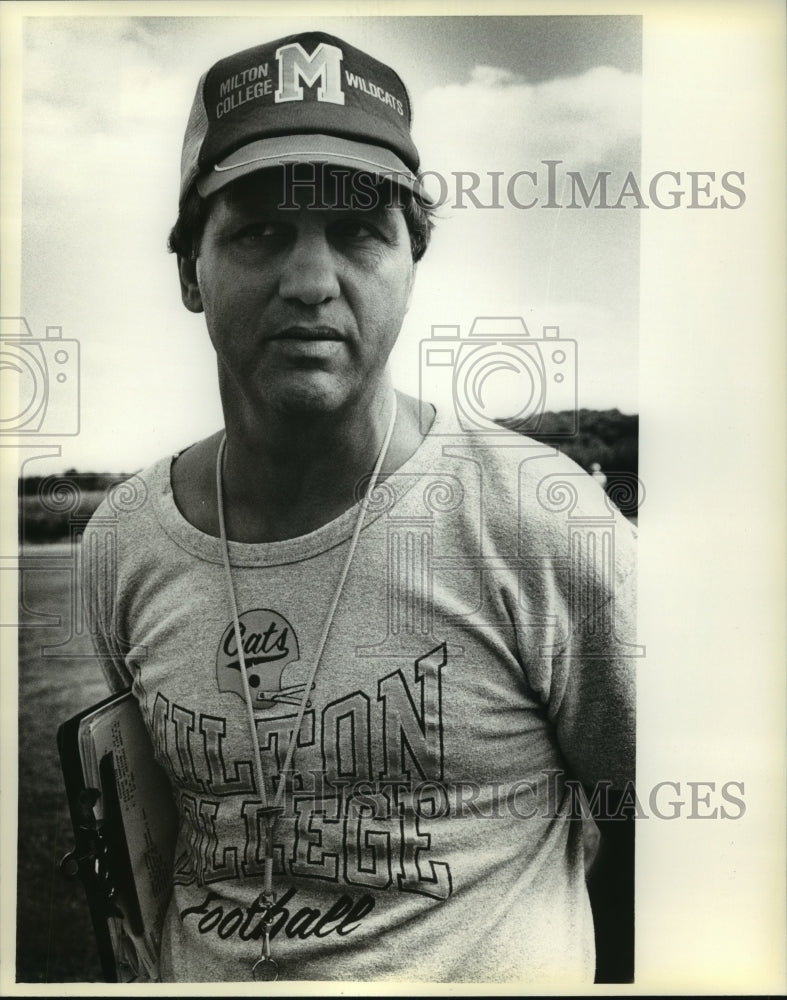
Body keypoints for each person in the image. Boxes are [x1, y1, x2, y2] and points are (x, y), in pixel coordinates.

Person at [84, 30, 636, 985]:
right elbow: (145, 846)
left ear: (411, 259)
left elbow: (682, 856)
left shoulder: (544, 526)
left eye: (357, 230)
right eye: (258, 231)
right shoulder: (123, 544)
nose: (309, 283)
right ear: (189, 271)